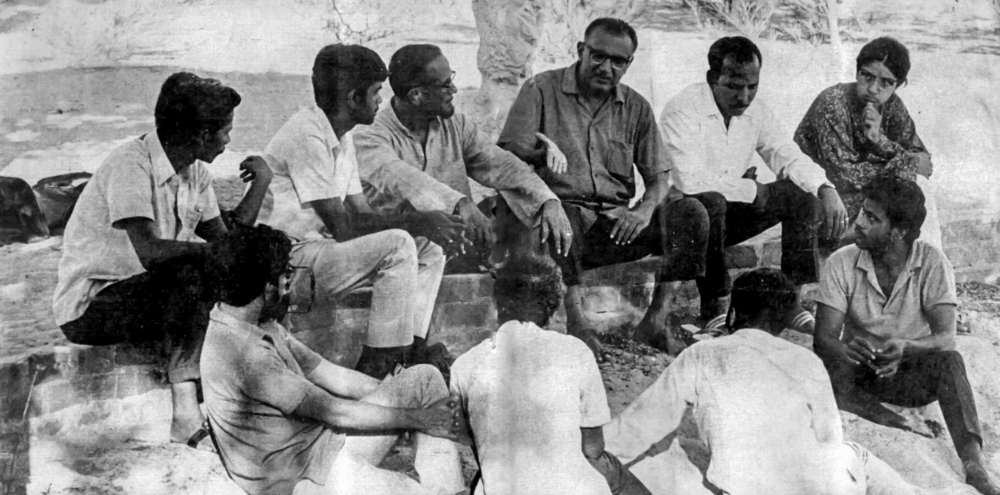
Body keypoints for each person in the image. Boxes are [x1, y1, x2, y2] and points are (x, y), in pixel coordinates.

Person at [51, 72, 272, 448]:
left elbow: (225, 241)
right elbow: (151, 252)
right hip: (91, 309)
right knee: (193, 268)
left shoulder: (196, 172)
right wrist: (215, 255)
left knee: (251, 261)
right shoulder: (130, 165)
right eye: (225, 131)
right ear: (202, 134)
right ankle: (185, 415)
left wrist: (261, 183)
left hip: (151, 300)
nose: (228, 140)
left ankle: (237, 392)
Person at [603, 268, 927, 495]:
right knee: (856, 454)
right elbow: (828, 438)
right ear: (785, 319)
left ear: (735, 311)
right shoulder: (805, 361)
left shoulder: (702, 354)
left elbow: (636, 429)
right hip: (820, 487)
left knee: (663, 453)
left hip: (741, 488)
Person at [199, 224, 466, 495]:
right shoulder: (247, 354)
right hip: (303, 481)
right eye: (285, 274)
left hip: (322, 450)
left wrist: (402, 401)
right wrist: (416, 419)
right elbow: (336, 411)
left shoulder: (252, 320)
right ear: (268, 288)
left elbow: (327, 372)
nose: (289, 282)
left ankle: (449, 488)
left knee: (425, 377)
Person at [257, 44, 467, 379]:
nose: (381, 101)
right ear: (354, 98)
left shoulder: (342, 135)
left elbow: (362, 213)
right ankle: (377, 364)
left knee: (429, 247)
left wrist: (426, 227)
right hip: (289, 261)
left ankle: (408, 350)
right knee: (399, 243)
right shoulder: (306, 135)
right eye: (375, 93)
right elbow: (345, 227)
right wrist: (419, 220)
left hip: (322, 254)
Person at [497, 17, 699, 356]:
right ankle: (579, 324)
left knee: (691, 213)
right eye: (598, 56)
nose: (606, 67)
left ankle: (656, 320)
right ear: (581, 50)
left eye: (618, 61)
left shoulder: (636, 107)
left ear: (629, 63)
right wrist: (538, 153)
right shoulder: (540, 89)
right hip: (558, 224)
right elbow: (506, 160)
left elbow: (660, 177)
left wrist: (644, 211)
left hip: (615, 226)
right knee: (563, 214)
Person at [813, 176, 1000, 495]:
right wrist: (846, 349)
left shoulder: (932, 262)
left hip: (912, 373)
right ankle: (895, 421)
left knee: (951, 362)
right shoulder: (841, 262)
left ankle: (974, 465)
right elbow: (824, 338)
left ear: (898, 232)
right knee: (820, 367)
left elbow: (946, 338)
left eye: (872, 218)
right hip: (861, 372)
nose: (858, 222)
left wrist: (907, 348)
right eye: (862, 211)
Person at [658, 35, 849, 335]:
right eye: (734, 86)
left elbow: (786, 154)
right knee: (710, 202)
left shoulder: (756, 111)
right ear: (712, 78)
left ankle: (788, 301)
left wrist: (825, 188)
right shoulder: (682, 110)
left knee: (801, 196)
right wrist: (753, 190)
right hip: (688, 220)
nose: (744, 97)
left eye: (752, 86)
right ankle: (715, 308)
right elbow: (689, 180)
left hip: (732, 213)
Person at [353, 44, 571, 274]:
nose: (454, 89)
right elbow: (405, 179)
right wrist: (460, 204)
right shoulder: (371, 137)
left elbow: (499, 164)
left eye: (452, 79)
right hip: (404, 253)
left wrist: (548, 200)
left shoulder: (454, 124)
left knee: (526, 216)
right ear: (417, 95)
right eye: (446, 85)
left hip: (459, 242)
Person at [450, 255, 651, 495]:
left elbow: (476, 443)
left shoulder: (464, 365)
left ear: (497, 304)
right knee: (609, 467)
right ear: (553, 307)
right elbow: (593, 450)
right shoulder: (575, 352)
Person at [794, 37, 942, 249]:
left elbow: (923, 162)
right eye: (867, 76)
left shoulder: (892, 106)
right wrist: (901, 163)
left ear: (898, 85)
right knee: (902, 200)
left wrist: (880, 141)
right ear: (857, 72)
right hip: (825, 201)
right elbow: (844, 176)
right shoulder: (833, 103)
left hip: (866, 198)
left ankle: (926, 272)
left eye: (886, 82)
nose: (874, 88)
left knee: (919, 190)